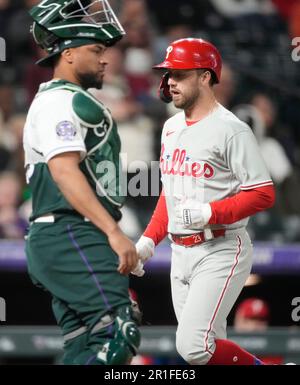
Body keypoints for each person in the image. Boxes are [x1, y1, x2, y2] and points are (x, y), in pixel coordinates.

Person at [132, 38, 275, 365]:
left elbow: (264, 192)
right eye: (168, 74)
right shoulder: (170, 128)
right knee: (209, 351)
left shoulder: (231, 130)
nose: (170, 82)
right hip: (180, 252)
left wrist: (211, 211)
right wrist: (147, 241)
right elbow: (170, 192)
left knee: (194, 346)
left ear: (206, 76)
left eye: (179, 74)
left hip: (220, 247)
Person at [23, 0, 140, 365]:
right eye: (96, 49)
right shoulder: (60, 102)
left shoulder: (66, 100)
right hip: (70, 231)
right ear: (69, 53)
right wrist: (113, 232)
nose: (105, 59)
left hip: (65, 234)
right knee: (119, 330)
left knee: (85, 346)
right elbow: (64, 171)